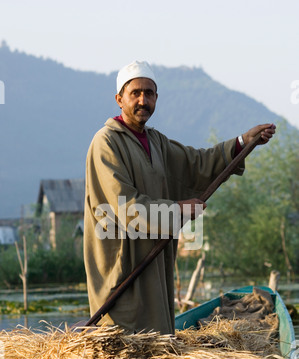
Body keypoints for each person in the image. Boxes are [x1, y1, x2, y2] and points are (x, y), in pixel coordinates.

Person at [84, 60, 275, 335]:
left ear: (156, 98)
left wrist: (242, 143)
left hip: (154, 260)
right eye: (135, 93)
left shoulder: (157, 142)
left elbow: (197, 164)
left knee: (157, 337)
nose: (142, 100)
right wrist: (177, 210)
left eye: (149, 93)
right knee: (124, 339)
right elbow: (124, 207)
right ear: (119, 99)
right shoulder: (106, 143)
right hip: (125, 265)